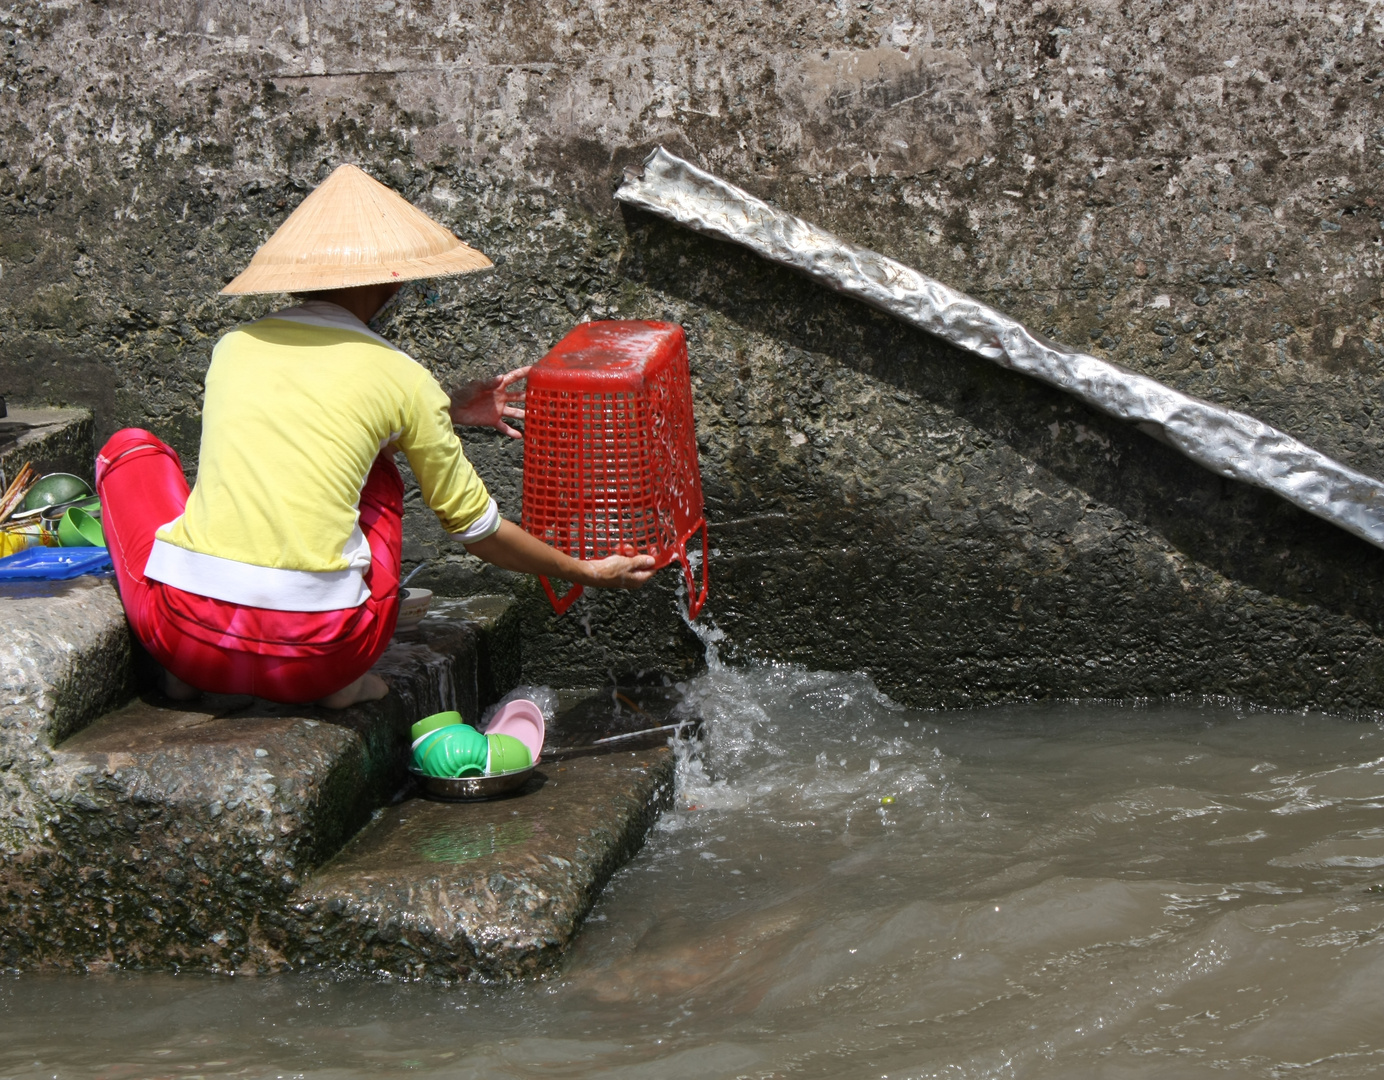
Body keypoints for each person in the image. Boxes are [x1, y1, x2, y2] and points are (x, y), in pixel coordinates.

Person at [96, 164, 655, 708]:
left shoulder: (233, 347)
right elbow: (477, 531)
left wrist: (444, 410)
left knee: (129, 448)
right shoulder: (402, 377)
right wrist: (583, 570)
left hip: (186, 641)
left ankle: (182, 676)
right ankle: (346, 684)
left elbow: (310, 426)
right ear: (392, 283)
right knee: (381, 474)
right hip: (323, 660)